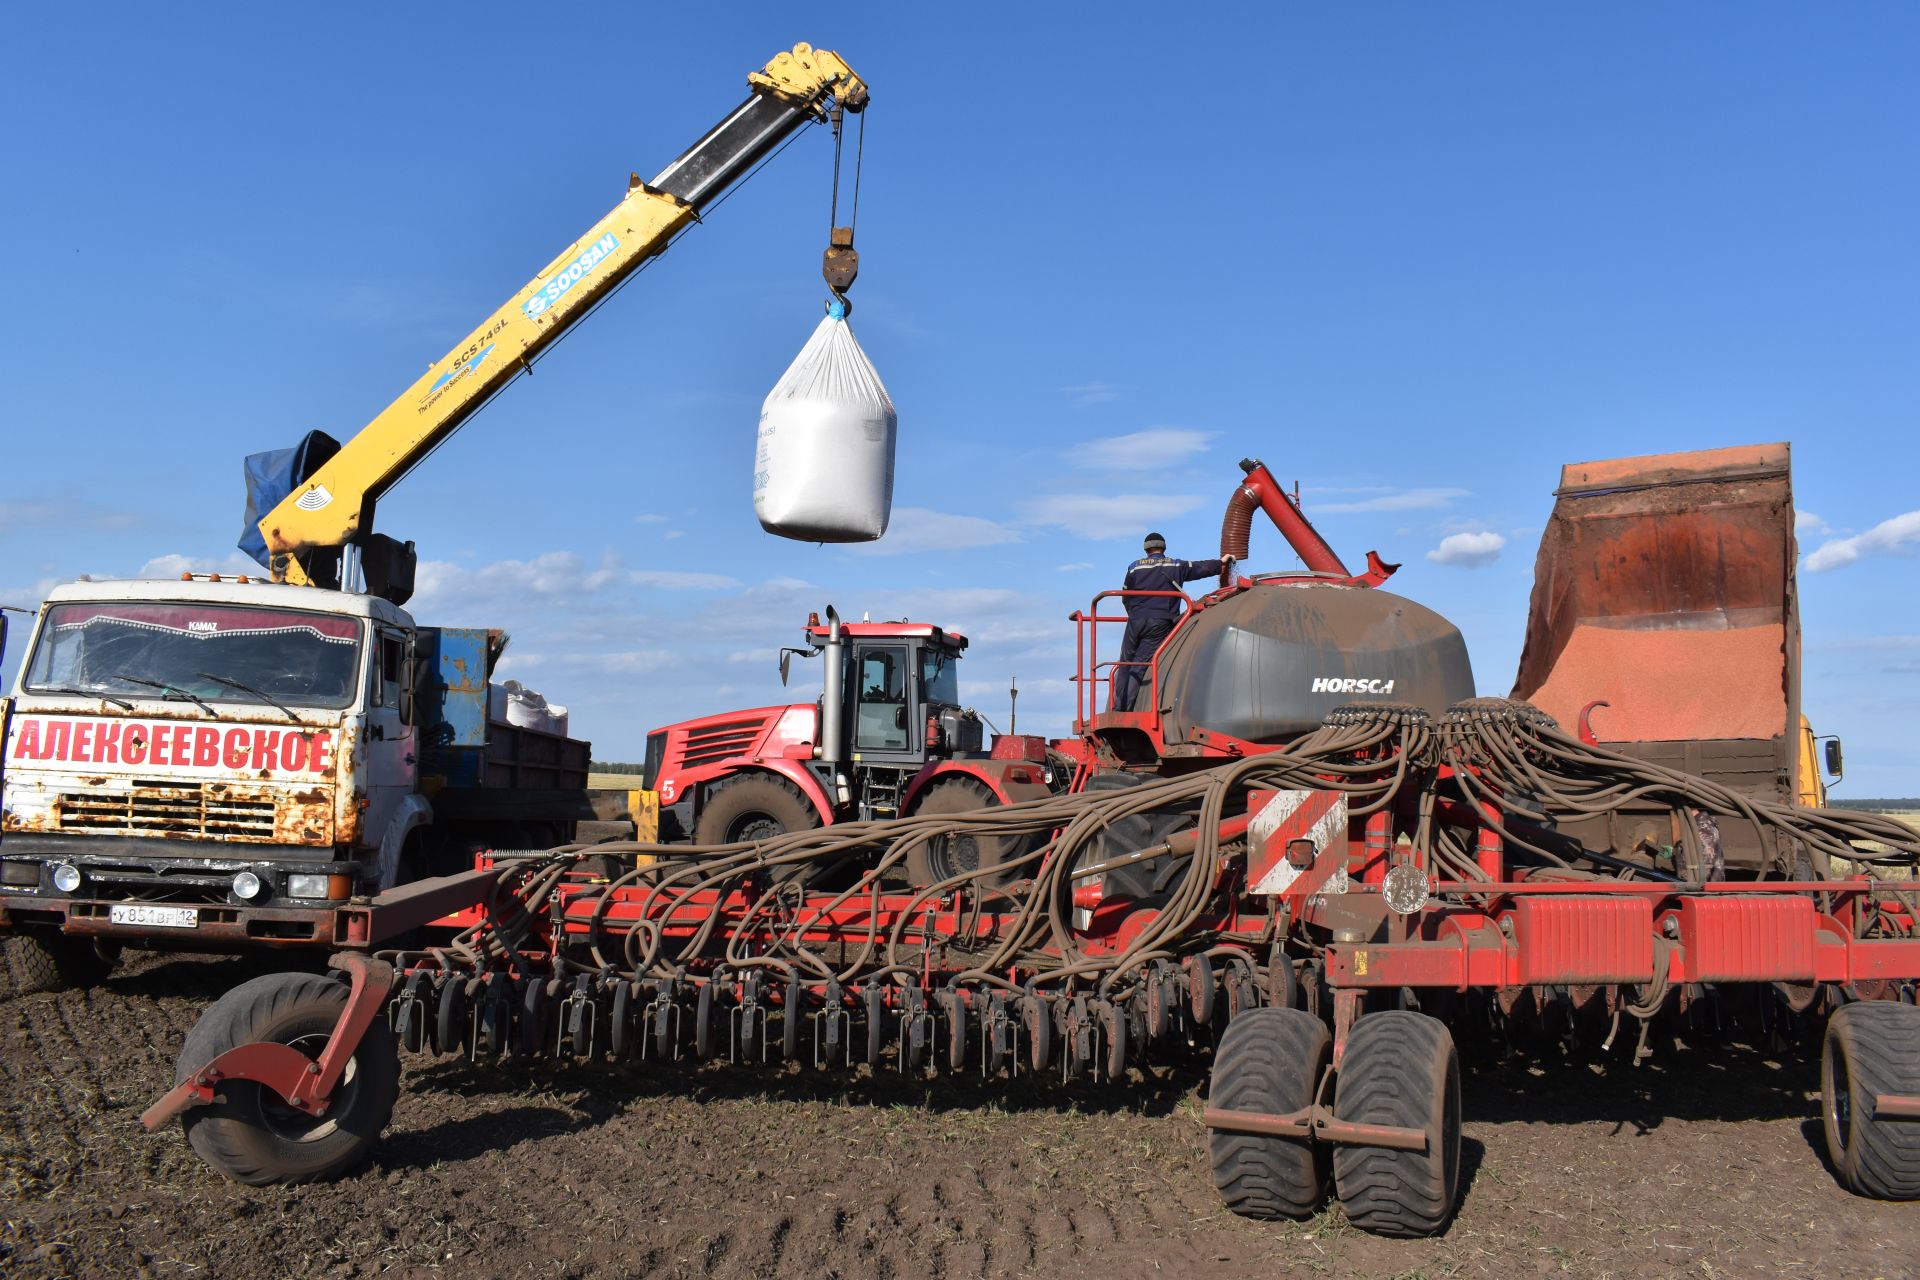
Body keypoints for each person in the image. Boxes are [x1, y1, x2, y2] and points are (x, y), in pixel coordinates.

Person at [1112, 532, 1226, 711]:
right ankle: (1124, 710)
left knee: (1125, 662)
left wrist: (1134, 614)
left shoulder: (1134, 567)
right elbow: (1200, 568)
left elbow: (1125, 596)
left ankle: (1117, 706)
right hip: (1160, 622)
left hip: (1136, 620)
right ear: (1163, 547)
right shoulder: (1175, 565)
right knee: (1141, 663)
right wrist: (1221, 563)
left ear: (1146, 549)